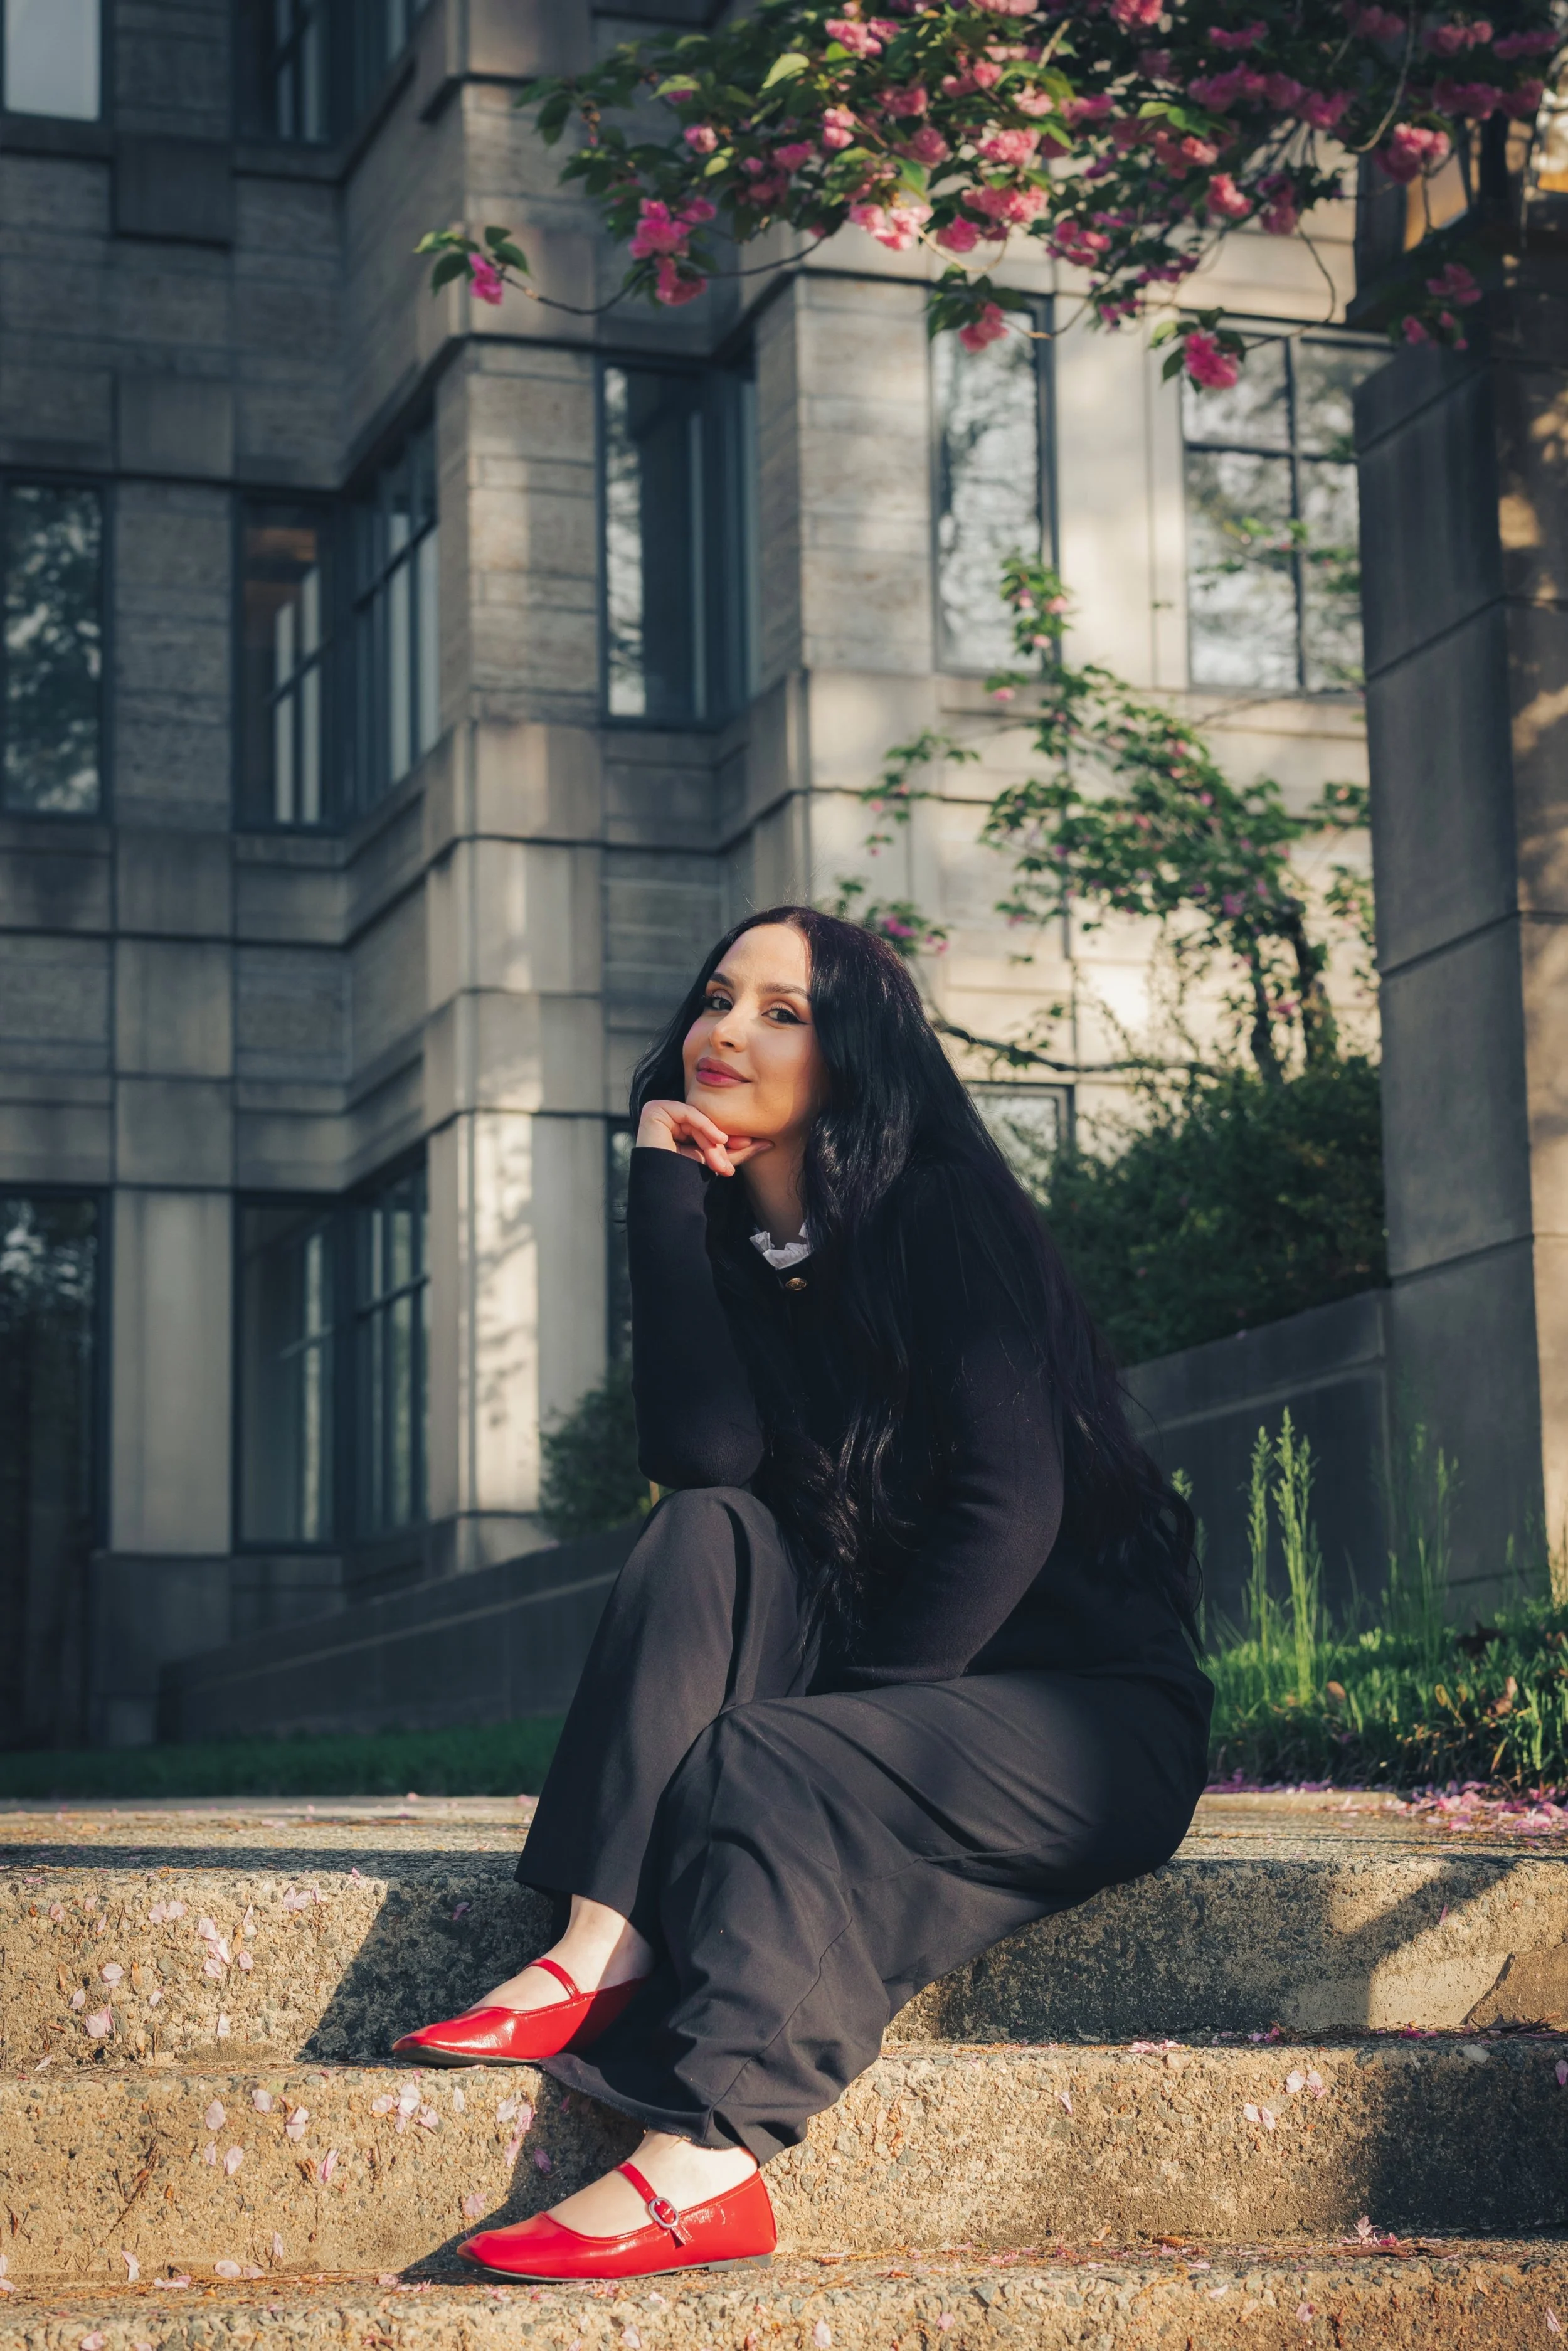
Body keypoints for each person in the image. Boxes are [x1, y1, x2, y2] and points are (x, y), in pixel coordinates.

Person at [393, 907, 1214, 2283]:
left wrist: (831, 1738)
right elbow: (701, 1458)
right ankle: (606, 1932)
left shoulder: (936, 1211)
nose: (727, 1028)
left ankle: (708, 2154)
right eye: (719, 996)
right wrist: (661, 1194)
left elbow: (1010, 1502)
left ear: (854, 1056)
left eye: (784, 1009)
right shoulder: (745, 1252)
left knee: (775, 1755)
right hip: (909, 1687)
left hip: (1082, 1712)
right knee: (702, 1533)